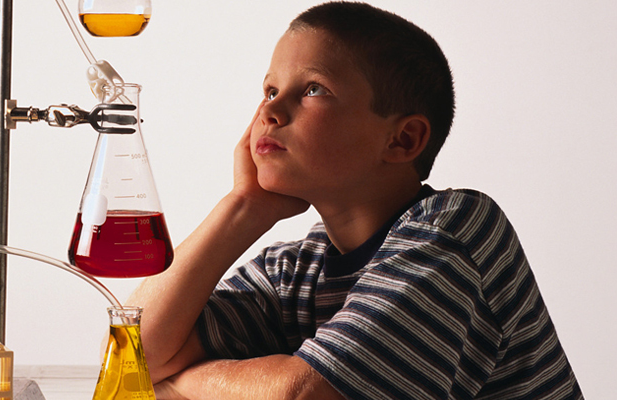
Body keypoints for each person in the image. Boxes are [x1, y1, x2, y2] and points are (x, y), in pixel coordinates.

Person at [126, 2, 584, 399]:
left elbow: (307, 395)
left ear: (403, 140)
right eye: (270, 90)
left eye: (313, 89)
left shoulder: (455, 231)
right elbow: (133, 356)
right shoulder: (292, 273)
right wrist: (243, 206)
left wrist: (181, 382)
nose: (269, 111)